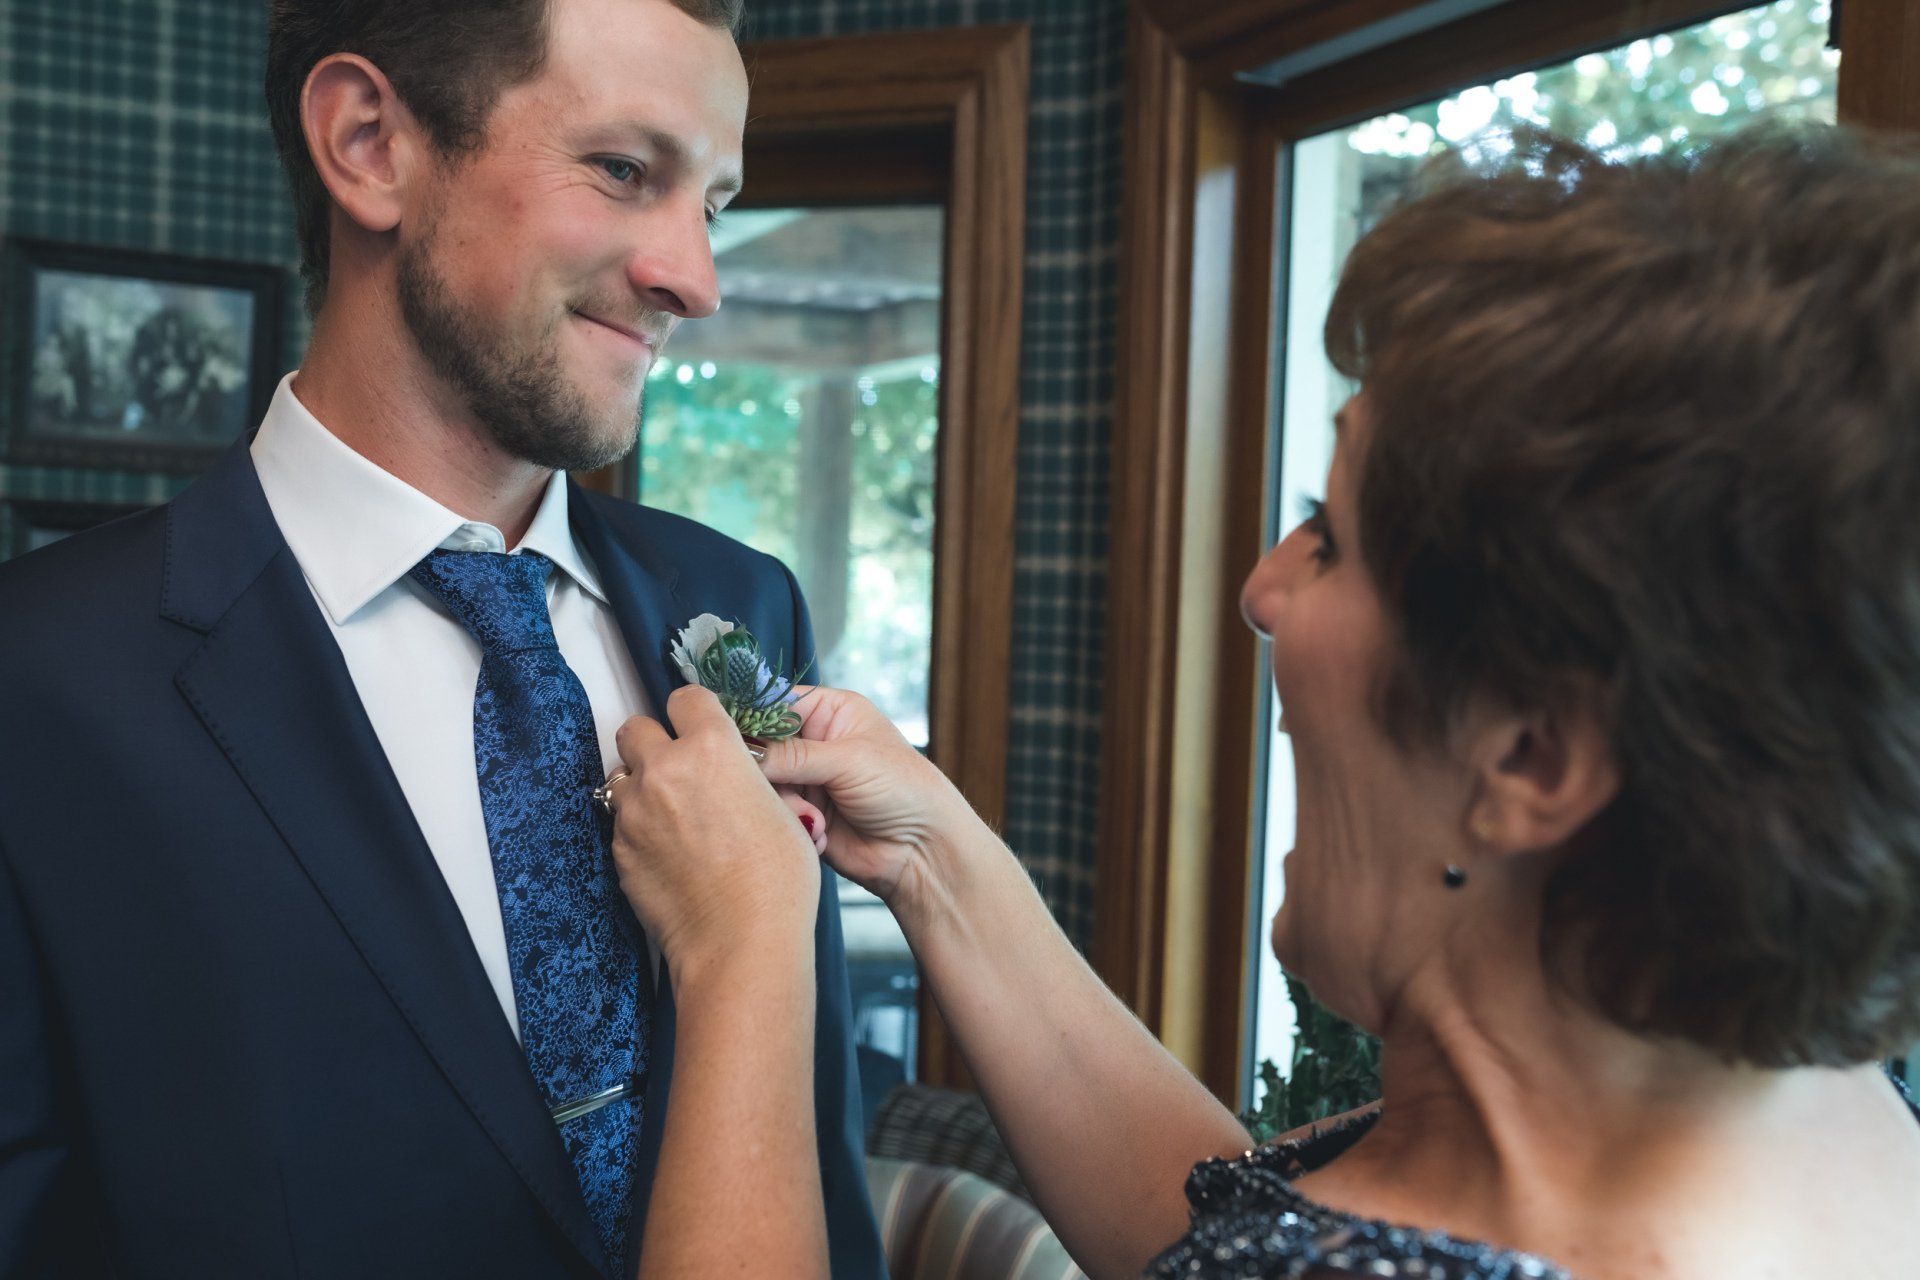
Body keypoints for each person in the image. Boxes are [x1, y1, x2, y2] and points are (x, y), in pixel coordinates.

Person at [603, 126, 1920, 1280]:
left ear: (1534, 754)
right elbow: (1250, 1234)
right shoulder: (1816, 1106)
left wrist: (744, 962)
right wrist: (943, 863)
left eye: (1331, 538)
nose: (1262, 588)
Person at [0, 1, 886, 1276]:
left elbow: (815, 1178)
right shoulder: (38, 684)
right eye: (626, 171)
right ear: (368, 142)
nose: (697, 277)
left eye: (715, 204)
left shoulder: (743, 603)